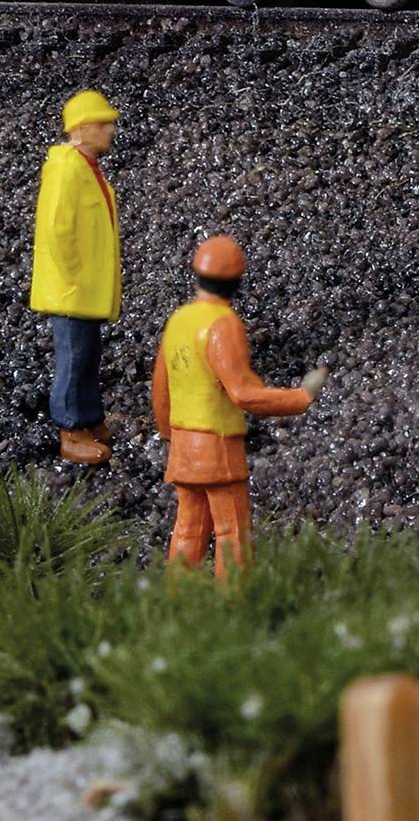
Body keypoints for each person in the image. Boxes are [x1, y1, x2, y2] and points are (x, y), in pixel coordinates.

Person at [151, 233, 321, 578]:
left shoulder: (180, 320)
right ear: (237, 282)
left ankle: (175, 603)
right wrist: (300, 397)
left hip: (184, 445)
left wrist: (167, 431)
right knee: (232, 532)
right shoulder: (223, 324)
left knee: (187, 528)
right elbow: (243, 394)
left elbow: (161, 386)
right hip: (217, 447)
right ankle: (233, 605)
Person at [29, 89, 122, 464]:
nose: (111, 131)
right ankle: (69, 430)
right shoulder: (66, 168)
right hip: (72, 290)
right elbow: (56, 229)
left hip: (85, 287)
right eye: (104, 124)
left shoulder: (85, 166)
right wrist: (75, 275)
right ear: (82, 129)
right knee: (72, 357)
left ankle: (90, 419)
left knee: (88, 354)